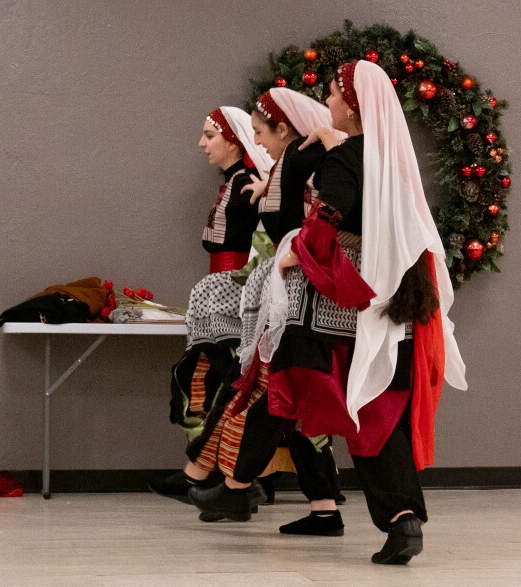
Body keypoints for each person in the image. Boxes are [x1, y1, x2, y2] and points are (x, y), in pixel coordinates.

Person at [214, 60, 468, 564]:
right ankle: (401, 518)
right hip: (396, 298)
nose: (326, 103)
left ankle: (244, 484)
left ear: (351, 103)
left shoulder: (346, 157)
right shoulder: (391, 157)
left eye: (331, 94)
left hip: (344, 305)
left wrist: (295, 253)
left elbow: (329, 216)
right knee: (380, 412)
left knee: (351, 405)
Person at [188, 88, 346, 524]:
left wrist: (292, 243)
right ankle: (323, 507)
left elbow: (297, 224)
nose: (257, 142)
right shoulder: (300, 162)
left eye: (260, 132)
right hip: (298, 289)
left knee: (275, 391)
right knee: (290, 396)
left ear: (282, 127)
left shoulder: (300, 157)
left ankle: (230, 483)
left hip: (301, 293)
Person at [150, 107, 273, 513]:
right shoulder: (234, 184)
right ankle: (222, 479)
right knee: (215, 379)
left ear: (234, 140)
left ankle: (225, 478)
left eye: (209, 135)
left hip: (237, 292)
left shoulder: (247, 186)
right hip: (223, 291)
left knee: (228, 382)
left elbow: (259, 247)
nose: (202, 144)